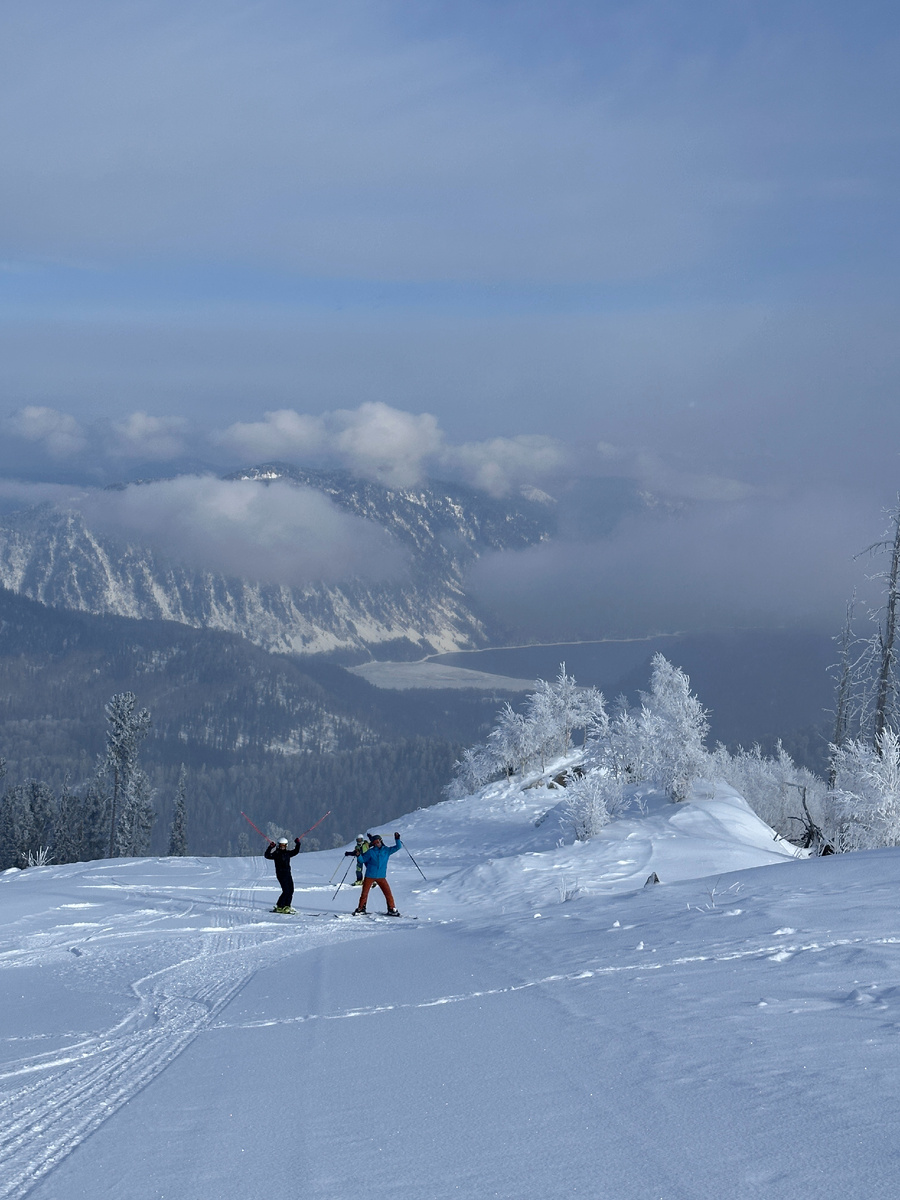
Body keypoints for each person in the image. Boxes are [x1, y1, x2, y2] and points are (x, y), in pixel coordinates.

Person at [353, 832, 402, 916]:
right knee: (364, 893)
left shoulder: (386, 850)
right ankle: (361, 909)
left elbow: (398, 847)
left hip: (381, 876)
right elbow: (362, 860)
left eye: (378, 842)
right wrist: (358, 855)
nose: (377, 844)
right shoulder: (370, 852)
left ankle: (392, 908)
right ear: (373, 844)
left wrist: (397, 839)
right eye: (375, 843)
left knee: (388, 893)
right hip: (370, 876)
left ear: (381, 841)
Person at [265, 835, 301, 913]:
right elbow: (267, 855)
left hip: (288, 874)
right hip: (281, 874)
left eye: (284, 846)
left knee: (291, 890)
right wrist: (270, 847)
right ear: (278, 845)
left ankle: (287, 906)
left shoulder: (287, 853)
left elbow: (295, 851)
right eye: (281, 845)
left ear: (286, 846)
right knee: (286, 891)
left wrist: (298, 844)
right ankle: (280, 906)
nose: (282, 847)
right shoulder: (276, 853)